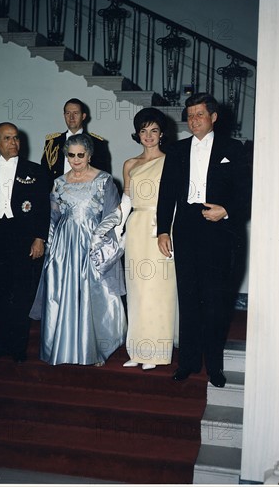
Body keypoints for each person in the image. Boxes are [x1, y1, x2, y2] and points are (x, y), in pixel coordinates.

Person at [157, 93, 251, 387]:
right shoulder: (176, 150)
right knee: (188, 297)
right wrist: (162, 230)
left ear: (213, 117)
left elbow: (247, 194)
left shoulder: (234, 149)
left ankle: (215, 367)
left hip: (220, 230)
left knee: (216, 300)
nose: (194, 120)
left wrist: (226, 211)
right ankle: (187, 362)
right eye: (190, 115)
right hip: (185, 227)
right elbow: (166, 194)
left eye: (200, 114)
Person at [30, 133, 127, 366]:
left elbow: (113, 216)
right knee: (60, 293)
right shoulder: (59, 183)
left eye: (80, 155)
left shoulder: (104, 180)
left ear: (90, 154)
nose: (75, 160)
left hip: (92, 242)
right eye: (71, 155)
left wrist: (98, 244)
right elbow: (53, 217)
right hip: (63, 246)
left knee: (93, 293)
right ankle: (59, 348)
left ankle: (93, 350)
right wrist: (50, 246)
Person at [0, 122, 50, 363]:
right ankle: (0, 345)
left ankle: (18, 347)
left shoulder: (35, 170)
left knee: (21, 294)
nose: (13, 143)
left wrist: (39, 238)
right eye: (7, 138)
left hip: (22, 239)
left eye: (16, 138)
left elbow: (42, 209)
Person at [116, 108, 178, 371]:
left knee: (160, 290)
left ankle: (156, 352)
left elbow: (175, 200)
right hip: (137, 227)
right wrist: (116, 229)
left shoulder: (173, 160)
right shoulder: (130, 164)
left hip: (162, 228)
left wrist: (171, 230)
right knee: (138, 290)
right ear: (137, 134)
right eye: (144, 131)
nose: (148, 136)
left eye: (154, 131)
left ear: (162, 133)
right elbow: (126, 201)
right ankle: (138, 349)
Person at [40, 98, 111, 190]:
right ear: (64, 115)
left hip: (87, 197)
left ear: (83, 116)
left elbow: (103, 176)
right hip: (57, 196)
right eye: (68, 113)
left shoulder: (97, 143)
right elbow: (43, 174)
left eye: (76, 113)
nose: (71, 117)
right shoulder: (52, 142)